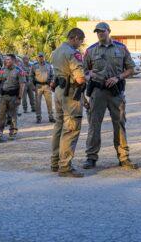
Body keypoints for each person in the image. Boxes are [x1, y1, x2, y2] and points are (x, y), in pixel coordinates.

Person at [82, 22, 137, 170]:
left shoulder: (121, 48)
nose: (100, 34)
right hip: (97, 92)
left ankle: (124, 157)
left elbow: (131, 69)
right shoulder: (91, 50)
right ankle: (91, 158)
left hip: (115, 92)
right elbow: (83, 71)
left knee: (119, 124)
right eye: (97, 32)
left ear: (109, 31)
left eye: (102, 31)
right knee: (94, 124)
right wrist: (89, 74)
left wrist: (118, 77)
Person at [51, 28, 87, 177]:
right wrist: (88, 78)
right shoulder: (73, 53)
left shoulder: (56, 51)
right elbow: (79, 78)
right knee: (71, 128)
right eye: (80, 41)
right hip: (70, 93)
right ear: (75, 38)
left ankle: (55, 162)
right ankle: (65, 166)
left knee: (59, 126)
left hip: (59, 91)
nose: (80, 44)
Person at [0, 54, 25, 142]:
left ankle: (13, 132)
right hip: (3, 97)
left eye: (8, 59)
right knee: (1, 115)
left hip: (13, 96)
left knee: (13, 115)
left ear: (13, 60)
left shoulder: (19, 71)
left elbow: (22, 85)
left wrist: (19, 97)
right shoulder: (2, 70)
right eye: (5, 60)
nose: (6, 61)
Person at [31, 52, 55, 123]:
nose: (41, 58)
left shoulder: (48, 65)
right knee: (38, 103)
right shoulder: (34, 66)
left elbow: (52, 75)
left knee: (49, 102)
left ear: (44, 57)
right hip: (38, 86)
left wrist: (52, 82)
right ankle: (38, 117)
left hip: (47, 86)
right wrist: (32, 85)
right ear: (37, 57)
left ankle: (51, 117)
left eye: (42, 56)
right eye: (39, 57)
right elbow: (31, 76)